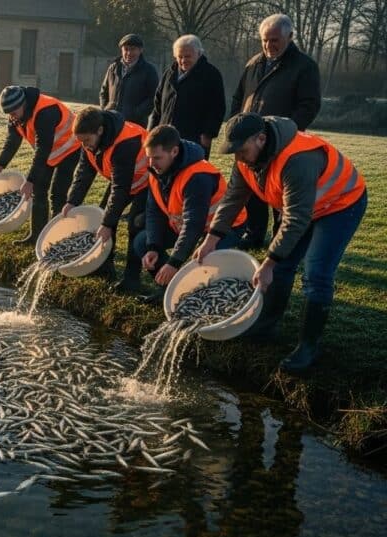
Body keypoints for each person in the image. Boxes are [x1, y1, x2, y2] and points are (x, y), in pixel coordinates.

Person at [197, 113, 367, 373]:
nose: (239, 157)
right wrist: (212, 238)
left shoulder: (298, 160)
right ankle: (266, 327)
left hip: (340, 205)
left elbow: (296, 219)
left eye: (242, 151)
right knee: (284, 267)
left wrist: (269, 262)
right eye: (234, 152)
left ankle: (308, 346)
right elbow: (233, 198)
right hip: (302, 209)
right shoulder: (245, 158)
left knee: (316, 274)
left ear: (261, 139)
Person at [229, 13, 322, 250]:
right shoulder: (253, 63)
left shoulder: (304, 66)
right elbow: (239, 96)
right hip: (249, 141)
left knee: (279, 192)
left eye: (274, 40)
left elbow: (309, 105)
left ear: (289, 37)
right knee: (251, 187)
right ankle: (254, 233)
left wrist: (285, 133)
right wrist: (235, 126)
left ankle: (281, 237)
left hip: (281, 142)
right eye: (265, 40)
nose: (269, 45)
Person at [132, 125, 246, 302]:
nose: (152, 164)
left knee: (203, 262)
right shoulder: (156, 171)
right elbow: (153, 212)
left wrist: (174, 262)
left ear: (174, 151)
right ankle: (169, 292)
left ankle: (197, 296)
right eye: (149, 158)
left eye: (157, 158)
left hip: (224, 227)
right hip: (187, 224)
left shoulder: (197, 176)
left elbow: (194, 223)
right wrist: (153, 246)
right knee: (142, 242)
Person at [61, 106, 149, 290]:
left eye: (87, 140)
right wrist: (72, 201)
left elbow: (120, 188)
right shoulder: (90, 141)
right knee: (104, 215)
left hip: (147, 183)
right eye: (81, 142)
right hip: (124, 180)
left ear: (100, 131)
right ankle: (105, 267)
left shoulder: (125, 142)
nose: (85, 145)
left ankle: (131, 279)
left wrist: (108, 223)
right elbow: (84, 173)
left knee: (134, 224)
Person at [0, 85, 81, 244]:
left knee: (58, 194)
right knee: (39, 191)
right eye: (8, 114)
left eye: (13, 113)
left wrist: (30, 180)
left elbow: (43, 150)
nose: (11, 117)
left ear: (23, 104)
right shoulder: (16, 115)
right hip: (49, 153)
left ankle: (57, 239)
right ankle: (37, 236)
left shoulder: (45, 111)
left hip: (70, 149)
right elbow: (12, 142)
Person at [147, 35, 225, 158]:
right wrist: (151, 131)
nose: (183, 60)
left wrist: (208, 134)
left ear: (199, 54)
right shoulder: (169, 74)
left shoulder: (211, 75)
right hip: (165, 138)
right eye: (180, 57)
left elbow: (217, 108)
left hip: (193, 139)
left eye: (187, 56)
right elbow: (157, 106)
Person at [100, 33, 159, 128]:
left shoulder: (149, 70)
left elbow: (153, 97)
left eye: (132, 49)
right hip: (112, 122)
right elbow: (104, 91)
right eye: (126, 49)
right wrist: (105, 109)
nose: (128, 53)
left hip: (135, 125)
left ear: (140, 50)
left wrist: (136, 113)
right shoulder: (113, 68)